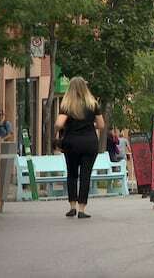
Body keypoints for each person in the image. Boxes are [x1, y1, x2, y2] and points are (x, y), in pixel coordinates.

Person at [54, 77, 105, 219]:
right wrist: (89, 125)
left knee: (72, 174)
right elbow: (101, 125)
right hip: (89, 143)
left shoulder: (67, 104)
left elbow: (58, 124)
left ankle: (72, 207)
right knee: (85, 175)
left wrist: (67, 126)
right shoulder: (92, 104)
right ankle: (82, 209)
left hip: (71, 143)